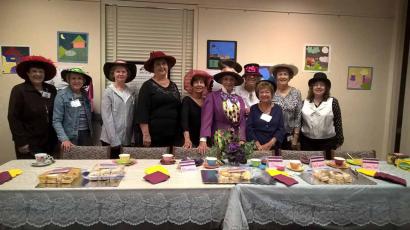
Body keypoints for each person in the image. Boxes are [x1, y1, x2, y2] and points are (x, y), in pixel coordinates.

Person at [8, 55, 58, 159]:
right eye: (34, 71)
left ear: (44, 74)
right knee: (30, 171)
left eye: (41, 72)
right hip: (29, 142)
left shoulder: (51, 89)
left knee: (49, 171)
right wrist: (21, 142)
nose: (38, 74)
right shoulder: (19, 90)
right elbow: (13, 117)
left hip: (49, 141)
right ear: (28, 73)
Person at [198, 60, 247, 154]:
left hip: (236, 141)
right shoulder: (212, 96)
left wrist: (242, 139)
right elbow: (206, 120)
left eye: (231, 79)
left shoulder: (240, 99)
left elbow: (242, 121)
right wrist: (203, 140)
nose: (229, 82)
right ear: (221, 81)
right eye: (226, 79)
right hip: (218, 139)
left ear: (235, 82)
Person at [136, 51, 182, 147]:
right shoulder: (147, 86)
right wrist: (146, 134)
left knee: (171, 161)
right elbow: (142, 112)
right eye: (158, 64)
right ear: (153, 68)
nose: (161, 67)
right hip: (153, 136)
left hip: (173, 136)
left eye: (164, 63)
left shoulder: (174, 86)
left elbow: (178, 109)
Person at [300, 72, 344, 159]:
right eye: (316, 85)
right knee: (307, 166)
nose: (319, 87)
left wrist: (339, 140)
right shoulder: (304, 103)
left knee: (326, 168)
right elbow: (300, 122)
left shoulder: (333, 102)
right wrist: (297, 140)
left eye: (322, 85)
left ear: (326, 88)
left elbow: (338, 121)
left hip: (327, 143)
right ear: (312, 87)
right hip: (307, 143)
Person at [100, 60, 137, 158]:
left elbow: (132, 117)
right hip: (110, 140)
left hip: (127, 139)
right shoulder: (108, 92)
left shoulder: (132, 93)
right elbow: (106, 117)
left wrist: (132, 138)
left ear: (127, 74)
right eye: (118, 71)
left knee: (126, 166)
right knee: (111, 168)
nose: (121, 74)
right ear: (113, 74)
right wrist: (114, 140)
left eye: (123, 71)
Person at [53, 68, 93, 152]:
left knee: (86, 161)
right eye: (73, 78)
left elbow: (88, 115)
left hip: (86, 135)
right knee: (70, 163)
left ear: (83, 80)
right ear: (68, 80)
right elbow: (56, 120)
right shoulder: (61, 95)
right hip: (70, 137)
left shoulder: (85, 94)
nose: (76, 81)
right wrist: (64, 139)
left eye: (79, 78)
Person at [246, 77, 285, 154]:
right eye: (261, 92)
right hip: (255, 147)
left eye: (267, 92)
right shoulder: (253, 108)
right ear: (258, 94)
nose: (264, 94)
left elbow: (280, 129)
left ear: (272, 94)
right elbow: (249, 128)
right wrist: (257, 145)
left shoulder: (278, 109)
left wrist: (270, 144)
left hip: (273, 147)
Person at [271, 64, 303, 150]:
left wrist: (296, 137)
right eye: (280, 74)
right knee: (272, 160)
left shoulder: (296, 93)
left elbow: (298, 115)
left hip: (289, 135)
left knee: (287, 160)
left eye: (285, 74)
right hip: (272, 135)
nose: (283, 77)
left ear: (290, 77)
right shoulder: (271, 92)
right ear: (276, 76)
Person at [181, 70, 213, 148]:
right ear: (191, 85)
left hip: (205, 139)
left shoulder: (208, 101)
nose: (199, 84)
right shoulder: (186, 100)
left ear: (205, 86)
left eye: (201, 82)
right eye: (196, 82)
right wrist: (187, 139)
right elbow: (184, 122)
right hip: (189, 139)